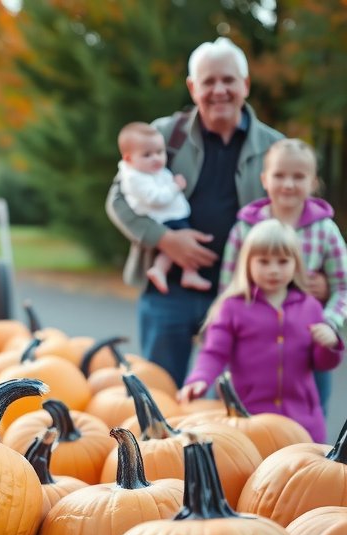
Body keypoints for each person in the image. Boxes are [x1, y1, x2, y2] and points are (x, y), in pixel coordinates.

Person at [106, 37, 284, 387]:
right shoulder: (162, 135)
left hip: (241, 297)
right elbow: (117, 199)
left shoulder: (275, 148)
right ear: (192, 87)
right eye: (208, 81)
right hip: (168, 294)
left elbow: (293, 219)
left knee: (236, 402)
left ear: (245, 85)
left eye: (229, 80)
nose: (219, 90)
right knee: (161, 394)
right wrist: (166, 240)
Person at [179, 219, 343, 443]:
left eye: (283, 261)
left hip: (301, 423)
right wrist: (199, 378)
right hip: (249, 422)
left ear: (296, 264)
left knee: (304, 477)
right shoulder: (233, 307)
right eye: (263, 262)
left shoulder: (310, 307)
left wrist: (329, 344)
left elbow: (322, 363)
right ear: (248, 264)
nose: (273, 270)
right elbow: (214, 353)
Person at [220, 138, 347, 416]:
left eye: (299, 176)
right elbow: (229, 287)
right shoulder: (245, 229)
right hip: (253, 345)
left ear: (313, 182)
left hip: (307, 347)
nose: (288, 184)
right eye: (280, 175)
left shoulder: (325, 231)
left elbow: (343, 288)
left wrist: (327, 324)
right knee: (247, 419)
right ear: (265, 179)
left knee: (310, 417)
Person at [116, 121, 211, 294]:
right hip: (164, 219)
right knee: (181, 246)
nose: (156, 158)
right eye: (147, 155)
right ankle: (176, 271)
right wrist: (175, 187)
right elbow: (155, 198)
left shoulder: (148, 170)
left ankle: (172, 271)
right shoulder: (134, 178)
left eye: (160, 152)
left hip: (171, 215)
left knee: (183, 245)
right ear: (129, 159)